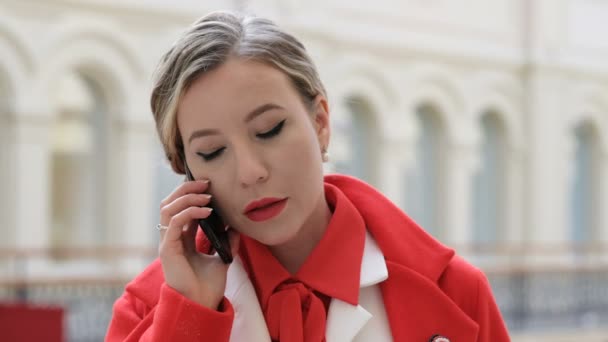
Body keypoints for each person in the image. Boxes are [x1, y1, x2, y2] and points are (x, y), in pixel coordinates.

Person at [106, 10, 510, 342]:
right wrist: (188, 321)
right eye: (212, 152)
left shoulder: (457, 292)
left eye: (269, 130)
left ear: (320, 122)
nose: (250, 173)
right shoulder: (147, 310)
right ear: (188, 171)